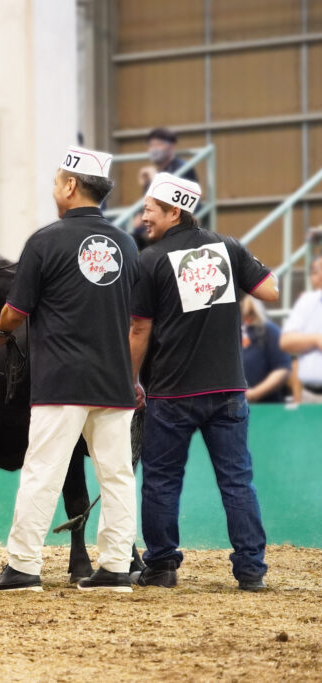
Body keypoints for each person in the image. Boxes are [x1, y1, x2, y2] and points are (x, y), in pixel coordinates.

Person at [0, 146, 139, 595]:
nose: (54, 189)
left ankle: (24, 566)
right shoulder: (126, 244)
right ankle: (114, 568)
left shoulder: (45, 241)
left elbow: (15, 310)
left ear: (71, 186)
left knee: (41, 472)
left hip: (62, 380)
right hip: (114, 381)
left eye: (56, 181)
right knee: (117, 476)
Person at [129, 172, 278, 592]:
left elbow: (139, 330)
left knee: (161, 480)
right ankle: (251, 571)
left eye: (150, 210)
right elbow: (271, 292)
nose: (143, 218)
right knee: (236, 480)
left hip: (172, 392)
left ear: (175, 210)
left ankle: (161, 566)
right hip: (229, 389)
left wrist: (130, 380)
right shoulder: (228, 248)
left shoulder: (151, 260)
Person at [132, 128, 201, 248]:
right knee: (134, 234)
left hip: (178, 221)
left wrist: (154, 178)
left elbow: (169, 200)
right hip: (160, 218)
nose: (154, 149)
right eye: (151, 145)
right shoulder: (156, 171)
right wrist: (140, 213)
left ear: (172, 147)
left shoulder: (183, 168)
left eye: (158, 144)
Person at [280, 256, 322, 404]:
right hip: (310, 394)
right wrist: (316, 339)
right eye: (315, 271)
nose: (319, 275)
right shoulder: (306, 301)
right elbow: (286, 342)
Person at [241, 296, 290, 404]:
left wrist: (254, 394)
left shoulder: (269, 331)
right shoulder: (227, 335)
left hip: (266, 406)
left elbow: (282, 368)